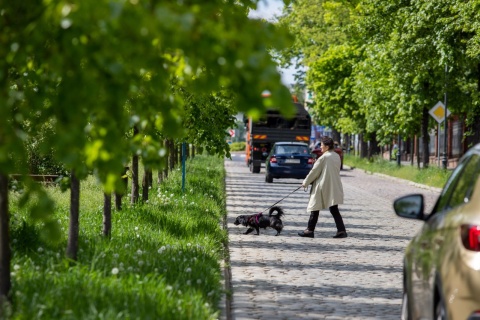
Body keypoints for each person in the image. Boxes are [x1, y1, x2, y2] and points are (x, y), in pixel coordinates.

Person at [298, 136, 347, 238]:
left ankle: (309, 230)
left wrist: (305, 183)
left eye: (322, 145)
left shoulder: (324, 157)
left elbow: (314, 172)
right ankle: (341, 230)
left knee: (315, 207)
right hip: (334, 185)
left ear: (327, 146)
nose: (320, 147)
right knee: (334, 209)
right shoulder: (336, 156)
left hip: (322, 186)